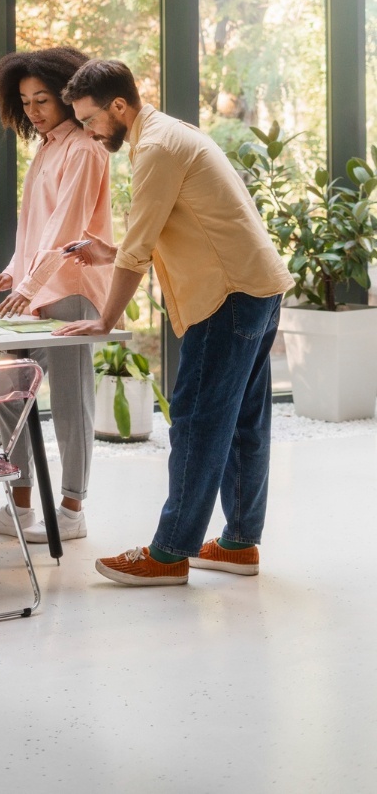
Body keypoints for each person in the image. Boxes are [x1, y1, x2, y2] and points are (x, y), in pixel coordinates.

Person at [57, 59, 293, 585]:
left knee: (197, 420)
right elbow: (178, 228)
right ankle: (237, 543)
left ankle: (168, 553)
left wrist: (104, 319)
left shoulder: (157, 148)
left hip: (226, 295)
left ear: (119, 106)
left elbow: (138, 252)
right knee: (243, 422)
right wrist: (107, 252)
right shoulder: (168, 133)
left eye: (91, 119)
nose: (91, 133)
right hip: (255, 288)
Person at [0, 46, 113, 545]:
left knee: (72, 400)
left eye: (42, 99)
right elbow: (36, 228)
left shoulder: (84, 147)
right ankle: (19, 503)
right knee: (11, 385)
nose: (34, 110)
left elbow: (68, 228)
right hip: (34, 290)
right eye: (25, 101)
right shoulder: (46, 146)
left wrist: (30, 286)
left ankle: (73, 509)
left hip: (72, 288)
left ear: (65, 94)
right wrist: (13, 272)